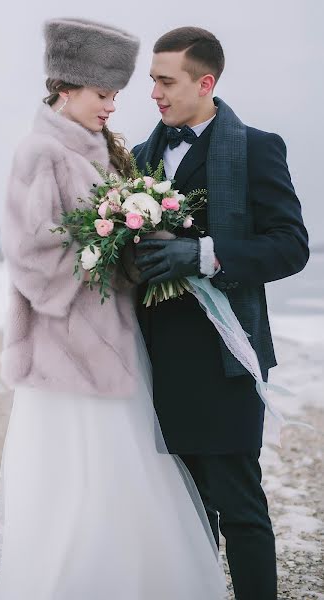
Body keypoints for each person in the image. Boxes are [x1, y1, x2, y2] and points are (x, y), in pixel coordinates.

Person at [0, 18, 226, 600]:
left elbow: (109, 243)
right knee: (76, 478)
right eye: (103, 95)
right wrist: (106, 249)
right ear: (66, 88)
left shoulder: (104, 151)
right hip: (66, 352)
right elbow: (29, 257)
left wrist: (141, 245)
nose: (113, 107)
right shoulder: (39, 151)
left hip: (115, 342)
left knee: (123, 472)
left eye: (116, 95)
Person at [129, 26, 309, 600]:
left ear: (205, 82)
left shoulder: (257, 147)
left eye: (165, 81)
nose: (153, 93)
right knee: (183, 507)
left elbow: (291, 246)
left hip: (227, 356)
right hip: (157, 356)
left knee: (239, 505)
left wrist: (202, 255)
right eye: (151, 80)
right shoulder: (139, 157)